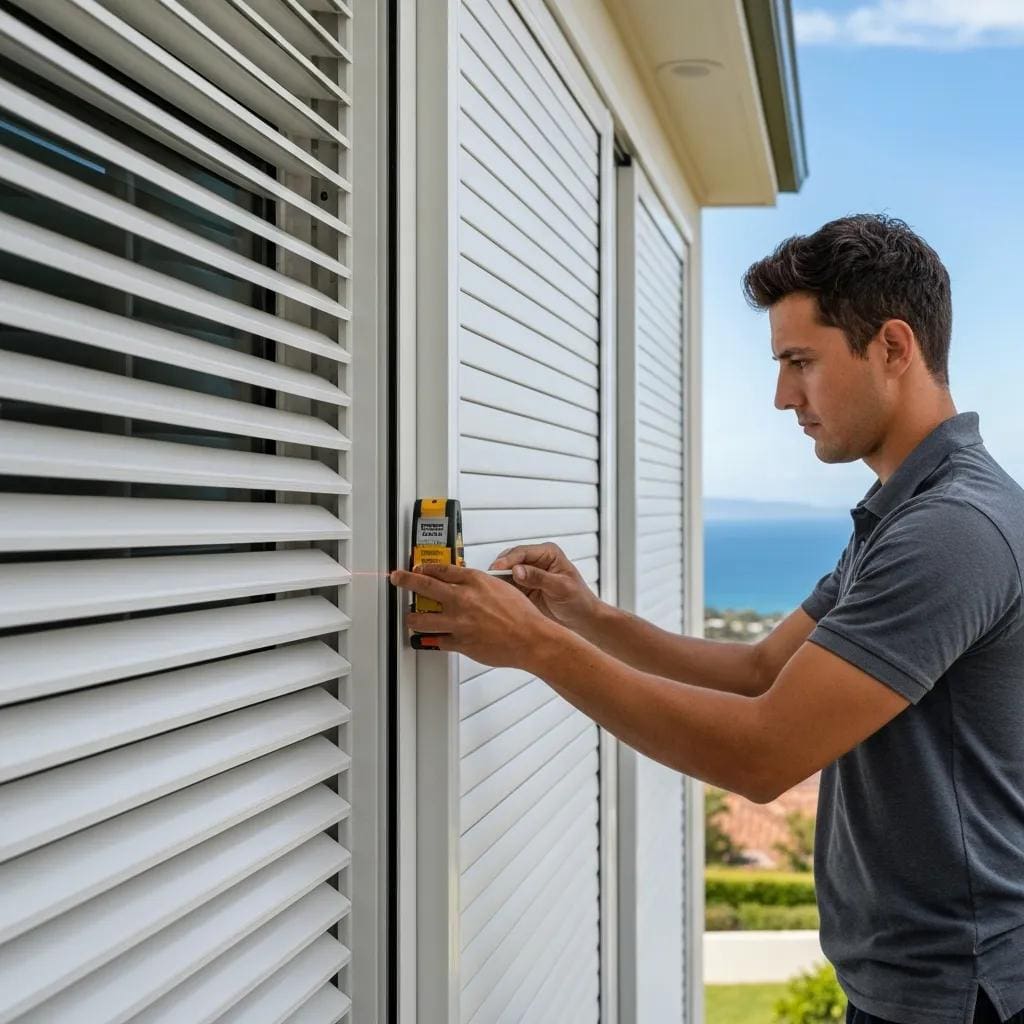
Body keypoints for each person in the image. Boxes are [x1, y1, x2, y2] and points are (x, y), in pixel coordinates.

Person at [391, 214, 1024, 1024]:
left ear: (893, 348)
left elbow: (762, 754)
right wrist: (583, 617)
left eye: (801, 362)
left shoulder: (952, 529)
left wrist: (537, 648)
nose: (782, 396)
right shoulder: (905, 514)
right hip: (913, 987)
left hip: (959, 997)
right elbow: (761, 671)